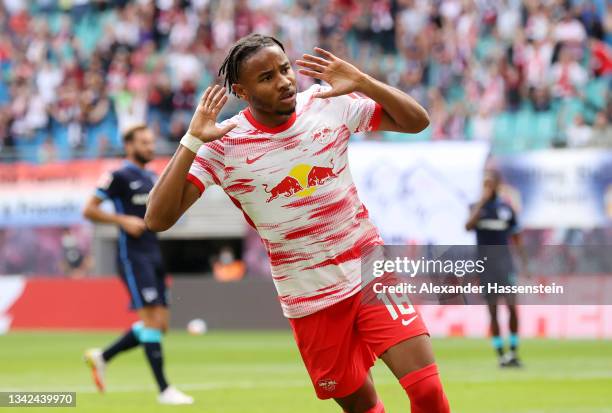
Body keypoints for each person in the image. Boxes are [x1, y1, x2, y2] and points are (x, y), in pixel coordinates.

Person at [145, 34, 449, 413]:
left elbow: (416, 121)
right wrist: (191, 140)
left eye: (285, 69)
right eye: (267, 77)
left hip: (370, 270)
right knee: (364, 408)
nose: (285, 81)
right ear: (241, 90)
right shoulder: (224, 144)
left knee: (427, 392)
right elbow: (157, 218)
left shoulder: (326, 103)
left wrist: (364, 81)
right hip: (309, 300)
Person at [82, 124, 193, 405]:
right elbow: (89, 209)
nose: (150, 147)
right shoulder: (118, 175)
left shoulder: (151, 176)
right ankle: (164, 390)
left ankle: (102, 357)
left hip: (153, 253)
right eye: (144, 142)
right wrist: (122, 221)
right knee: (151, 323)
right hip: (133, 256)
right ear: (129, 145)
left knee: (160, 325)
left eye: (151, 142)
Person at [465, 169, 528, 368]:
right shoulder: (476, 207)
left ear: (498, 185)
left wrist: (525, 264)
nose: (487, 187)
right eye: (485, 184)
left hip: (505, 265)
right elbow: (467, 226)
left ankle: (514, 352)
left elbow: (517, 238)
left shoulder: (506, 208)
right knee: (492, 311)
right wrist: (482, 201)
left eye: (490, 183)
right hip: (486, 267)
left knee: (512, 307)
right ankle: (500, 354)